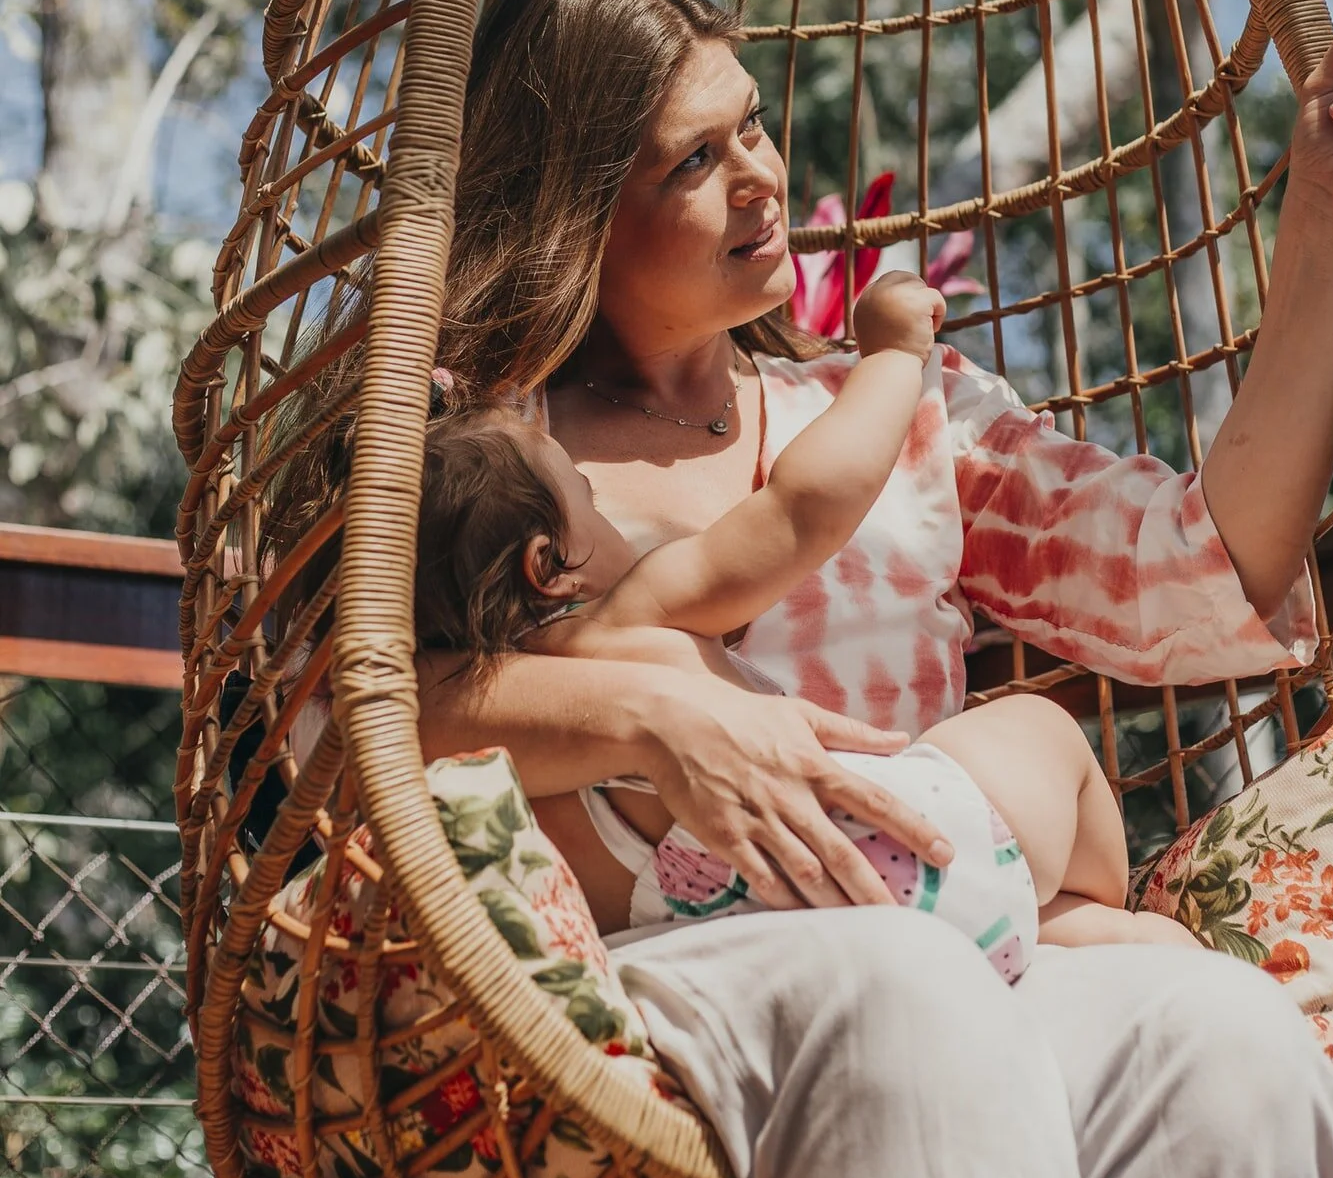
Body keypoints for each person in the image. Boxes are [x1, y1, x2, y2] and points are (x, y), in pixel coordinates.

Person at [415, 0, 1333, 1178]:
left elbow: (1210, 567)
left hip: (946, 945)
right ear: (573, 206)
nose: (760, 177)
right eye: (694, 161)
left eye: (753, 126)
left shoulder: (891, 418)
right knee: (896, 991)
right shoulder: (480, 463)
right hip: (655, 986)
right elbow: (345, 715)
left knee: (1231, 1052)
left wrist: (1325, 220)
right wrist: (644, 717)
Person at [414, 264, 1192, 968]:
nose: (604, 510)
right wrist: (889, 357)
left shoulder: (501, 769)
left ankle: (1050, 927)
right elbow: (806, 508)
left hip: (753, 941)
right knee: (1035, 730)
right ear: (550, 567)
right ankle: (1087, 904)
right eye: (587, 497)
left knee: (1089, 935)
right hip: (904, 848)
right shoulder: (626, 618)